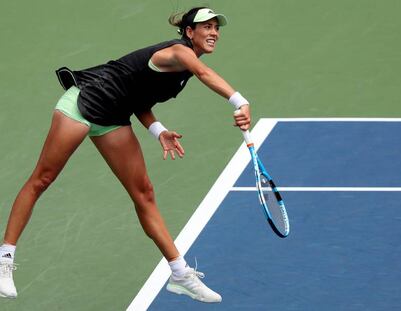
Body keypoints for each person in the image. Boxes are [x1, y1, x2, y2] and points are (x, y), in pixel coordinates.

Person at [0, 7, 250, 303]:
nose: (213, 33)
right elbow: (204, 72)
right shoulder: (179, 53)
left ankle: (180, 274)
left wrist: (158, 131)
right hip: (83, 104)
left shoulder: (181, 73)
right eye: (205, 27)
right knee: (42, 179)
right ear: (188, 32)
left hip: (113, 118)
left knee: (144, 193)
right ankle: (4, 259)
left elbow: (139, 99)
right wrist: (240, 102)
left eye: (216, 28)